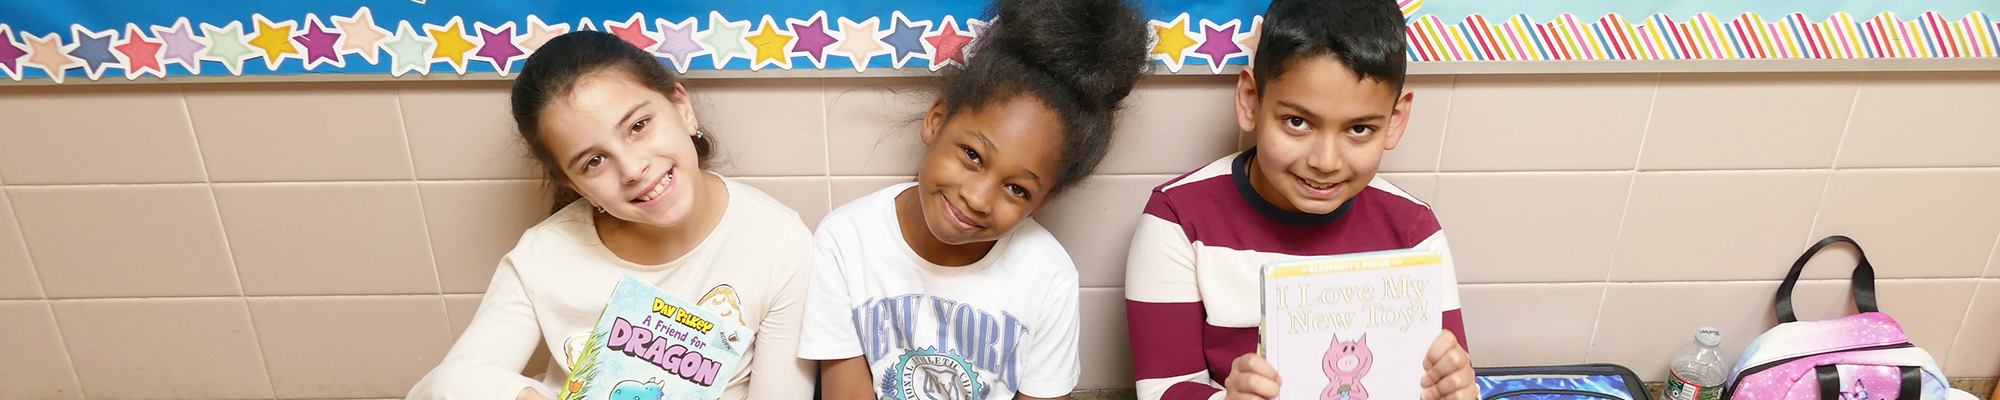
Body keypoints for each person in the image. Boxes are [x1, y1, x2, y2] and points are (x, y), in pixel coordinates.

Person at [406, 30, 814, 400]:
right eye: (594, 161)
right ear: (574, 186)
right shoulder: (544, 254)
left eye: (638, 126)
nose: (633, 169)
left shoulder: (778, 244)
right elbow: (444, 384)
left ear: (682, 108)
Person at [796, 0, 1150, 398]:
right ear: (936, 120)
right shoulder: (846, 241)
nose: (979, 199)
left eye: (1018, 189)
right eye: (973, 155)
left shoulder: (1048, 277)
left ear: (1042, 202)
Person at [1122, 1, 1476, 399]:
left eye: (1359, 128)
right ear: (1250, 99)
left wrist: (1455, 391)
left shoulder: (1414, 231)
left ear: (1394, 121)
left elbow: (1437, 378)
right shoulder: (1178, 220)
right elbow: (1162, 391)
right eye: (1297, 122)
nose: (1324, 162)